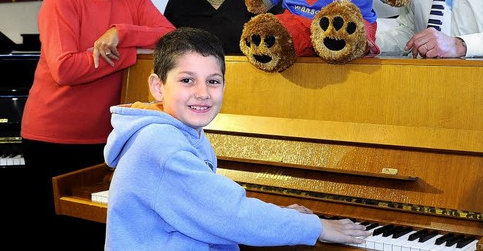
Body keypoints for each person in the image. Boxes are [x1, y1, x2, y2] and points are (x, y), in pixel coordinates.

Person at [103, 27, 369, 249]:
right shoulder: (162, 146)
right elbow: (230, 215)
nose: (202, 93)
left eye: (213, 81)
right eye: (187, 80)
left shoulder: (179, 130)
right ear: (158, 86)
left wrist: (280, 217)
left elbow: (213, 206)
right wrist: (317, 226)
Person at [20, 0, 175, 248]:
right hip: (54, 140)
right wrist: (132, 52)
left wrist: (122, 32)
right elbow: (65, 68)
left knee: (102, 233)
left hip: (109, 141)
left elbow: (170, 37)